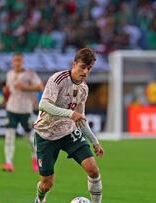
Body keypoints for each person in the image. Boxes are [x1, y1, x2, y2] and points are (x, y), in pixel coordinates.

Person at [33, 48, 104, 203]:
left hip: (69, 133)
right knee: (47, 184)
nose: (85, 71)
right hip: (46, 135)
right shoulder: (58, 79)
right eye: (82, 67)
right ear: (74, 64)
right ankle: (40, 199)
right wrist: (70, 114)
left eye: (89, 68)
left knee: (93, 169)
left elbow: (80, 119)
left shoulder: (83, 88)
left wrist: (94, 141)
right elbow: (43, 105)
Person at [1, 53, 44, 172]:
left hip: (25, 109)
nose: (17, 62)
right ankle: (9, 163)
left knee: (29, 137)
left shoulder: (30, 74)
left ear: (23, 61)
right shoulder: (9, 74)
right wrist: (5, 93)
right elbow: (9, 90)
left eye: (19, 60)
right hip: (11, 109)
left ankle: (35, 158)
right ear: (12, 62)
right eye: (15, 60)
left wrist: (25, 87)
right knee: (9, 136)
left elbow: (40, 87)